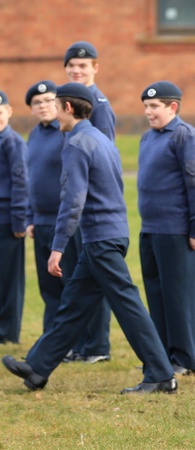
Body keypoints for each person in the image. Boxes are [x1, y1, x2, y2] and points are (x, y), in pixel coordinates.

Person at [2, 82, 177, 394]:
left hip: (99, 238)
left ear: (68, 108)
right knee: (74, 304)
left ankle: (161, 375)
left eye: (56, 106)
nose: (53, 113)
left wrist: (57, 247)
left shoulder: (76, 144)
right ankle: (38, 367)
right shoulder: (100, 138)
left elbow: (72, 201)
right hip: (110, 234)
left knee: (127, 305)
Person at [137, 81, 195, 376]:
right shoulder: (147, 138)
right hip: (149, 229)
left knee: (177, 297)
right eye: (146, 106)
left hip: (174, 230)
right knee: (156, 294)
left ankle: (185, 358)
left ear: (173, 107)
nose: (148, 112)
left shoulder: (183, 135)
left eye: (154, 106)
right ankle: (163, 354)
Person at [62, 40, 115, 363]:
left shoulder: (99, 106)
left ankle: (96, 345)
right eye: (71, 66)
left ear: (95, 68)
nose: (76, 70)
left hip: (91, 205)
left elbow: (105, 156)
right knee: (75, 275)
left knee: (94, 274)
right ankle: (80, 343)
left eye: (83, 66)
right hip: (74, 203)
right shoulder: (67, 101)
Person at [24, 80, 80, 334]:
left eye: (48, 100)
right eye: (37, 102)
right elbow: (31, 179)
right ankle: (51, 339)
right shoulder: (34, 135)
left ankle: (75, 341)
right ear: (31, 109)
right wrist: (30, 217)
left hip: (64, 223)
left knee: (69, 283)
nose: (43, 106)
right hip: (41, 223)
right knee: (48, 288)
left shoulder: (66, 132)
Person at [0, 90, 28, 344]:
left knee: (8, 278)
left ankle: (8, 333)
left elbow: (21, 182)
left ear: (9, 111)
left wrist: (20, 219)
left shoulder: (12, 142)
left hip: (7, 220)